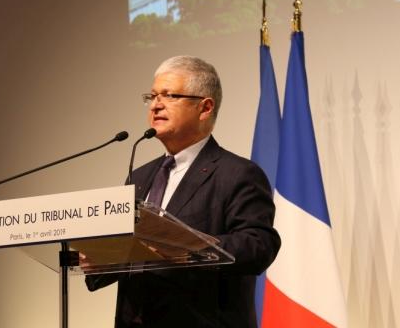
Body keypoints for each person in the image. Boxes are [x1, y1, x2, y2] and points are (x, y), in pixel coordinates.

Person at [86, 55, 280, 327]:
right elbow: (130, 252)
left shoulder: (237, 174)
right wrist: (100, 259)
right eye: (152, 96)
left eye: (169, 95)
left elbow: (259, 246)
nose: (155, 105)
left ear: (205, 107)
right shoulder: (139, 177)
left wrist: (191, 247)